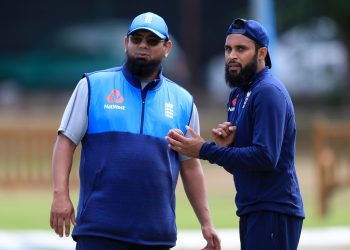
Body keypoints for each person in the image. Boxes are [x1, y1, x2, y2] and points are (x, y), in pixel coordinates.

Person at [50, 12, 221, 250]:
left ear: (167, 47)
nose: (143, 46)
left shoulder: (183, 102)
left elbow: (190, 166)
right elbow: (65, 142)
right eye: (136, 39)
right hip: (98, 231)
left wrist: (206, 223)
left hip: (155, 236)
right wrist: (60, 194)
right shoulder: (92, 86)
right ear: (125, 43)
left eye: (152, 41)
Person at [166, 18, 305, 250]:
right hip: (252, 208)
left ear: (262, 53)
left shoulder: (268, 92)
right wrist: (225, 149)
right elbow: (242, 165)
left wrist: (204, 150)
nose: (232, 55)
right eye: (228, 49)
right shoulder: (237, 95)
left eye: (241, 49)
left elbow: (265, 157)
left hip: (274, 209)